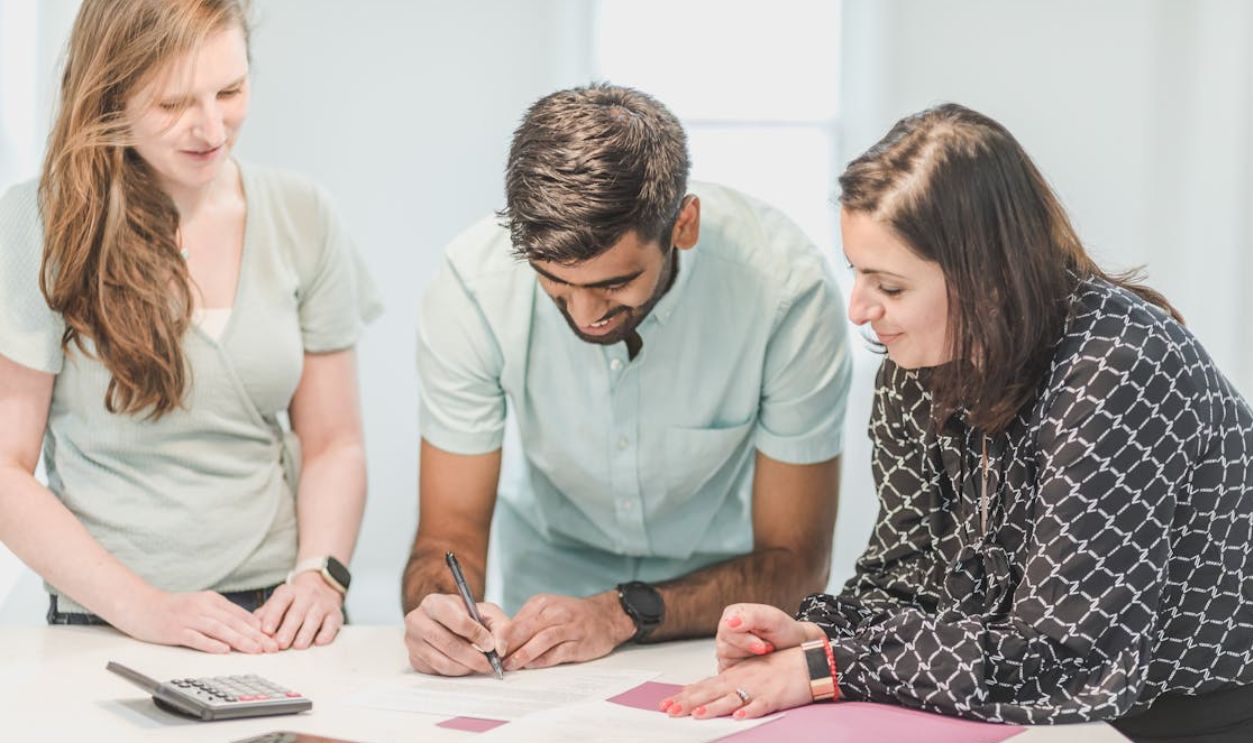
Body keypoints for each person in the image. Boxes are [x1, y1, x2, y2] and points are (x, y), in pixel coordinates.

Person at [663, 103, 1253, 741]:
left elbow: (1068, 657)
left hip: (1197, 712)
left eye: (890, 287)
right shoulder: (916, 362)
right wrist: (816, 634)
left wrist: (826, 666)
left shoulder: (1119, 366)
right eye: (857, 273)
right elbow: (907, 584)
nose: (860, 310)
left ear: (989, 281)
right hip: (1047, 711)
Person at [403, 83, 851, 675]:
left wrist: (618, 614)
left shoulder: (786, 292)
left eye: (614, 284)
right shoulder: (472, 286)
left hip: (723, 626)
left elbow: (796, 564)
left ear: (683, 225)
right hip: (539, 625)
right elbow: (448, 531)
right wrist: (436, 611)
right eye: (556, 285)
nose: (587, 316)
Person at [0, 0, 381, 653]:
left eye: (229, 91)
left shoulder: (302, 213)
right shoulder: (40, 222)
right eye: (172, 104)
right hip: (106, 620)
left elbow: (333, 443)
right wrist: (146, 609)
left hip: (276, 616)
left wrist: (321, 577)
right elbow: (6, 467)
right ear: (110, 98)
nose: (211, 127)